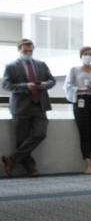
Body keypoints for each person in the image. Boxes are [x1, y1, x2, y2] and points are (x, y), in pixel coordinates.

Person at [2, 39, 56, 177]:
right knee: (22, 139)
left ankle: (12, 159)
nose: (28, 53)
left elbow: (52, 81)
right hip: (20, 107)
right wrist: (25, 86)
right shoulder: (11, 66)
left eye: (30, 51)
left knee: (40, 133)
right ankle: (30, 169)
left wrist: (44, 84)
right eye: (25, 51)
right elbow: (6, 85)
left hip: (39, 105)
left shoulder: (41, 65)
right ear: (19, 50)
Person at [65, 46, 91, 174]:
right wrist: (79, 89)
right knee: (84, 133)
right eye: (85, 53)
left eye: (90, 53)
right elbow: (68, 86)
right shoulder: (74, 70)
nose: (88, 56)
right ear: (81, 55)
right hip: (80, 101)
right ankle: (88, 163)